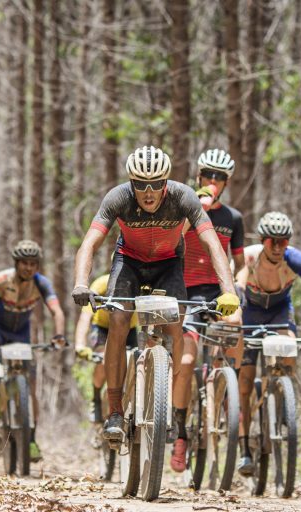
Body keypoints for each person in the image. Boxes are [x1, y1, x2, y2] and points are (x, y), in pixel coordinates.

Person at [71, 145, 241, 445]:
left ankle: (168, 407)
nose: (148, 193)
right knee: (119, 321)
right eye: (140, 185)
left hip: (168, 263)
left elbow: (212, 243)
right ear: (131, 182)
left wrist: (229, 291)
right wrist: (81, 283)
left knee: (176, 328)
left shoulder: (183, 197)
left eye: (156, 184)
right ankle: (115, 412)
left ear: (166, 182)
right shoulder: (118, 197)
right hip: (129, 262)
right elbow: (89, 243)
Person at [235, 211, 301, 475]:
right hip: (249, 313)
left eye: (283, 241)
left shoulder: (296, 259)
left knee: (289, 348)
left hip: (279, 312)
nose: (277, 247)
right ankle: (244, 449)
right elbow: (236, 286)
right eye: (272, 241)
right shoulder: (250, 257)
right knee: (244, 383)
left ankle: (282, 396)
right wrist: (233, 319)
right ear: (262, 240)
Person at [171, 148, 246, 472]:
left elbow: (240, 262)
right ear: (198, 176)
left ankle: (228, 388)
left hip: (215, 291)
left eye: (220, 177)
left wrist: (238, 286)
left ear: (227, 182)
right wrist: (196, 210)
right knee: (187, 361)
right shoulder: (184, 208)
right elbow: (170, 241)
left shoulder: (233, 218)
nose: (213, 181)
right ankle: (180, 434)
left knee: (236, 323)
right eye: (208, 175)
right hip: (184, 291)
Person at [0, 240, 66, 462]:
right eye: (24, 263)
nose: (28, 268)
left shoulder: (42, 284)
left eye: (33, 264)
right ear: (16, 263)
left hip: (21, 333)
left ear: (37, 265)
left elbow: (57, 311)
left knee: (30, 387)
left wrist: (59, 335)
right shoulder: (2, 279)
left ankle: (31, 440)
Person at [74, 273, 139, 423]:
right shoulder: (101, 284)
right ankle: (96, 398)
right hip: (102, 327)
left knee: (136, 362)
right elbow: (85, 318)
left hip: (129, 327)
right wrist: (80, 345)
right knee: (104, 360)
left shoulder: (137, 283)